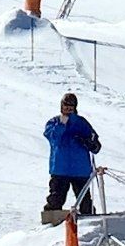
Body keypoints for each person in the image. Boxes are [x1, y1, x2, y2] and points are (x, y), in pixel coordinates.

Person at [42, 91, 101, 220]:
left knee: (85, 202)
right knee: (55, 199)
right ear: (61, 106)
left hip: (79, 170)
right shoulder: (54, 122)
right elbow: (52, 137)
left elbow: (95, 143)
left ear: (75, 107)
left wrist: (90, 143)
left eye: (71, 106)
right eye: (66, 106)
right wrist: (61, 125)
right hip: (61, 169)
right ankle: (49, 224)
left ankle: (90, 225)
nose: (68, 109)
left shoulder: (81, 123)